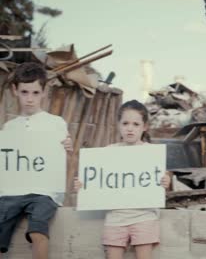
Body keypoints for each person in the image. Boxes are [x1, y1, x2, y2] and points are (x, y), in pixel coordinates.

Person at [75, 100, 171, 259]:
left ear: (144, 126)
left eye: (135, 124)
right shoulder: (108, 152)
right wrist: (83, 185)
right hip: (115, 218)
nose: (130, 128)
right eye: (125, 123)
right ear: (118, 124)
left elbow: (161, 181)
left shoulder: (151, 153)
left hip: (144, 217)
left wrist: (165, 182)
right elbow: (96, 180)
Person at [0, 62, 73, 259]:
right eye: (24, 92)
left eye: (35, 92)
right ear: (15, 90)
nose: (29, 99)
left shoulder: (56, 124)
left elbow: (61, 163)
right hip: (13, 191)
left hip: (43, 191)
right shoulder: (9, 128)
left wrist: (66, 150)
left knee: (37, 229)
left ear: (43, 92)